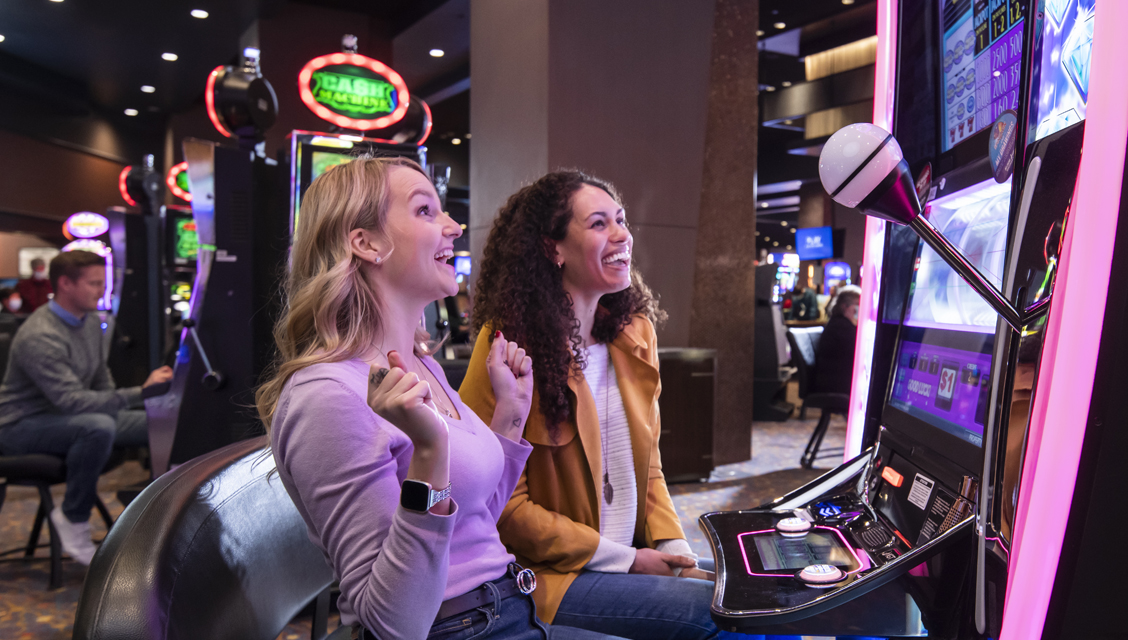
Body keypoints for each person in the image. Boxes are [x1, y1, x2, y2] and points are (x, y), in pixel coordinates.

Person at [258, 157, 624, 640]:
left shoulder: (419, 363)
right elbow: (394, 624)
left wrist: (511, 417)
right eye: (426, 211)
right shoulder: (326, 396)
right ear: (365, 243)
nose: (453, 226)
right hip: (459, 628)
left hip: (507, 606)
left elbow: (472, 525)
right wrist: (430, 456)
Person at [461, 171, 721, 640]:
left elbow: (650, 469)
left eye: (620, 220)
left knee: (752, 595)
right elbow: (502, 507)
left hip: (633, 551)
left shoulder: (635, 333)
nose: (622, 234)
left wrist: (674, 549)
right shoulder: (506, 345)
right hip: (549, 577)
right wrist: (627, 560)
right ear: (553, 248)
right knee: (714, 615)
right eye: (599, 223)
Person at [0, 250, 173, 565]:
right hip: (20, 426)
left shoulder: (92, 321)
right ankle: (73, 516)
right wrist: (142, 392)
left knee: (162, 421)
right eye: (94, 284)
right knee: (98, 427)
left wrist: (141, 401)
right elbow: (72, 401)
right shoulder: (40, 336)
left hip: (68, 418)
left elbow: (100, 381)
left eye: (103, 283)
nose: (101, 291)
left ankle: (165, 523)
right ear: (65, 284)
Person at [811, 289, 859, 395]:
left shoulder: (839, 323)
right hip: (836, 383)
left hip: (833, 379)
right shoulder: (841, 327)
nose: (858, 309)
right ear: (844, 306)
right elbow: (858, 352)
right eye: (856, 305)